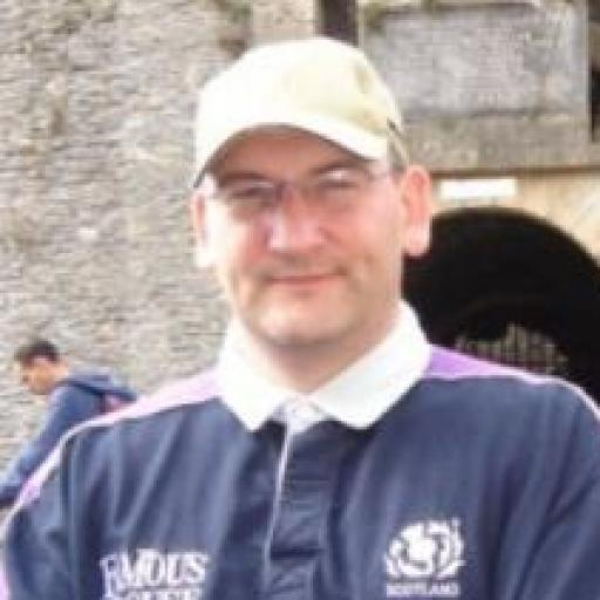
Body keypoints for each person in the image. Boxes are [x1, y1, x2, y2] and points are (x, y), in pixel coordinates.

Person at [2, 37, 600, 600]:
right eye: (249, 193)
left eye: (336, 185)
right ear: (202, 228)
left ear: (412, 207)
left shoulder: (549, 446)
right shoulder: (91, 479)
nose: (293, 236)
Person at [0, 338, 137, 508]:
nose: (26, 386)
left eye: (25, 378)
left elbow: (44, 450)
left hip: (105, 496)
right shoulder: (105, 389)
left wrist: (5, 490)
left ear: (40, 364)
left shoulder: (70, 395)